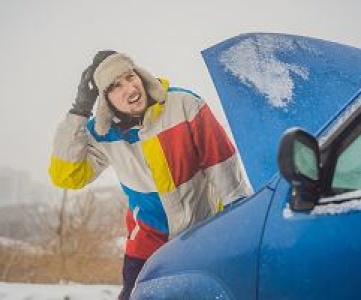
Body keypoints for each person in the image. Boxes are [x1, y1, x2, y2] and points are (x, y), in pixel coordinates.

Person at [48, 50, 252, 299]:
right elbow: (67, 176)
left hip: (203, 231)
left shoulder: (184, 106)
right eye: (115, 86)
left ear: (140, 76)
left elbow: (224, 169)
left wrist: (240, 225)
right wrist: (79, 111)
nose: (129, 87)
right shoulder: (103, 133)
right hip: (147, 242)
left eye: (129, 77)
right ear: (106, 99)